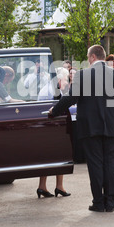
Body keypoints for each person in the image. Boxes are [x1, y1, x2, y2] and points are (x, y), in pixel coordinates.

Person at [49, 45, 114, 212]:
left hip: (90, 127)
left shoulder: (83, 75)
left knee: (95, 165)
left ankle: (98, 202)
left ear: (92, 57)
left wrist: (54, 110)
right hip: (113, 127)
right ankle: (111, 203)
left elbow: (72, 97)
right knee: (111, 165)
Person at [37, 67, 71, 198]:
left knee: (47, 157)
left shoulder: (47, 88)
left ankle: (43, 186)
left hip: (46, 127)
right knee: (60, 156)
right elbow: (58, 109)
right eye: (66, 79)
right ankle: (59, 186)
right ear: (58, 79)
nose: (67, 82)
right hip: (53, 128)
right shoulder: (53, 90)